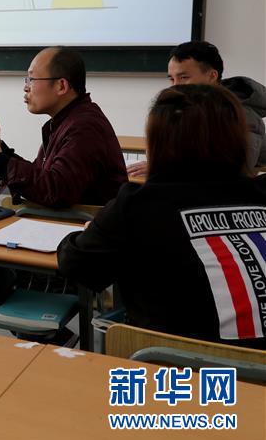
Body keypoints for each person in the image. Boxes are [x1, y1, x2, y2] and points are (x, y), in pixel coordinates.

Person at [59, 85, 266, 349]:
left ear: (158, 142)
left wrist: (92, 231)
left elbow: (76, 265)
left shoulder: (139, 205)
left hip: (182, 368)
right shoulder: (261, 192)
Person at [0, 47, 127, 208]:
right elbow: (41, 177)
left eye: (32, 79)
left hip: (83, 226)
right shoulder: (66, 120)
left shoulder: (84, 127)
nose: (26, 88)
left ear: (61, 86)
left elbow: (57, 191)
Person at [127, 41, 266, 178]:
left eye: (184, 77)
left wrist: (165, 168)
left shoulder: (242, 114)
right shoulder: (181, 107)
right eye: (172, 79)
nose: (175, 87)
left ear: (212, 76)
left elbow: (235, 170)